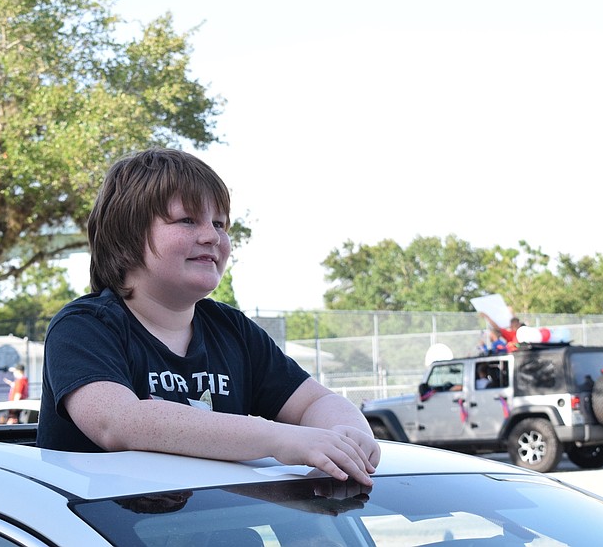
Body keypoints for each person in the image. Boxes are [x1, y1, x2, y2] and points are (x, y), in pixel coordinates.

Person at [37, 147, 380, 486]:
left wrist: (349, 435)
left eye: (219, 223)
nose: (212, 236)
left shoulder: (232, 330)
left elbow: (315, 402)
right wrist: (280, 439)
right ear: (126, 237)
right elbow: (117, 422)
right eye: (188, 220)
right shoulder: (84, 326)